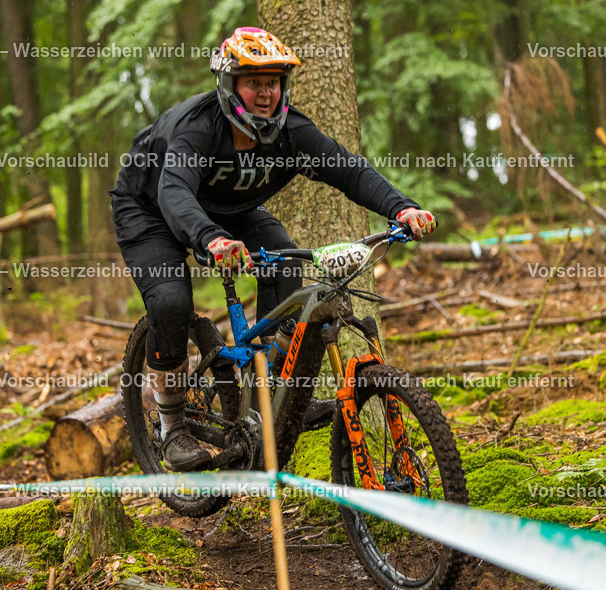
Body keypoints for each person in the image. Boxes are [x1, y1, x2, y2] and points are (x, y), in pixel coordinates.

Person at [110, 27, 436, 471]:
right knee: (169, 301)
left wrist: (402, 209)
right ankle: (172, 426)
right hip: (150, 206)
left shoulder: (292, 133)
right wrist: (211, 238)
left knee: (284, 259)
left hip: (229, 209)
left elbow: (349, 171)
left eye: (273, 82)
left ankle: (271, 395)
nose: (265, 93)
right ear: (229, 85)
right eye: (253, 82)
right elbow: (174, 193)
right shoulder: (197, 130)